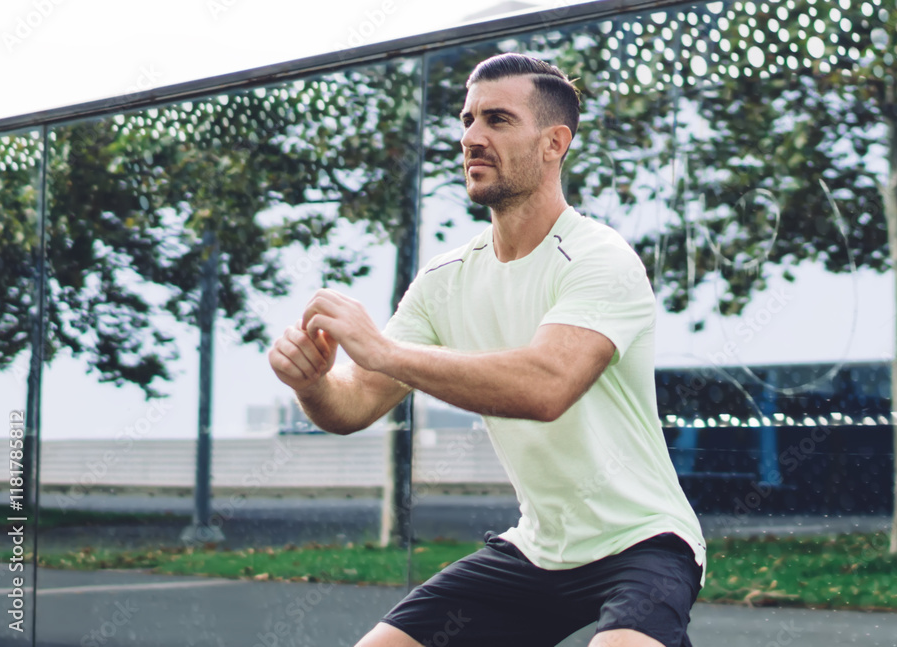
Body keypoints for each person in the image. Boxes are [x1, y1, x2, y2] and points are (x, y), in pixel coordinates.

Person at [268, 52, 706, 647]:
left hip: (644, 542)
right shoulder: (445, 279)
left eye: (496, 120)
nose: (471, 137)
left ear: (554, 143)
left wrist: (379, 350)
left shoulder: (601, 258)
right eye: (467, 119)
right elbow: (352, 407)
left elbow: (546, 385)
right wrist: (312, 383)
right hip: (537, 550)